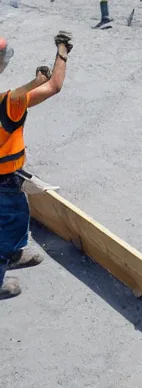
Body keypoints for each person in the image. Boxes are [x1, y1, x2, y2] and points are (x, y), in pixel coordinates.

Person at [0, 31, 73, 299]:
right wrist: (61, 52)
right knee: (7, 225)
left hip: (9, 177)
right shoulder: (10, 103)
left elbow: (37, 88)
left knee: (17, 217)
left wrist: (34, 81)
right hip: (3, 179)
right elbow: (53, 85)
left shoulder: (10, 100)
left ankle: (15, 252)